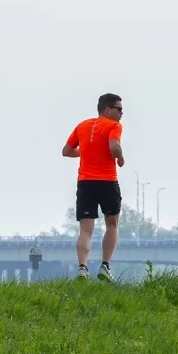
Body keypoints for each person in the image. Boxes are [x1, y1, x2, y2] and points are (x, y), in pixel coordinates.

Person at [62, 93, 126, 280]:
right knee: (112, 224)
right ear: (107, 109)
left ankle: (82, 267)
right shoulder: (114, 126)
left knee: (85, 229)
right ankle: (105, 266)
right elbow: (114, 146)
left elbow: (66, 151)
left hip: (85, 182)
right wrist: (120, 158)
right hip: (107, 181)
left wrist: (85, 152)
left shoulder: (82, 126)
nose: (122, 113)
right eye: (119, 109)